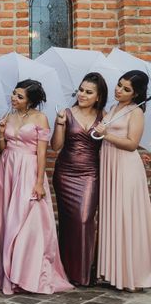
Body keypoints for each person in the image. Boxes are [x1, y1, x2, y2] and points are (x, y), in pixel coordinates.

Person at [0, 79, 73, 295]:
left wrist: (38, 182)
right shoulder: (9, 116)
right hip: (7, 169)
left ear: (30, 100)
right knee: (6, 219)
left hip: (28, 171)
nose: (13, 98)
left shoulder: (40, 118)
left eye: (19, 96)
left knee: (28, 222)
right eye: (14, 94)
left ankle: (25, 273)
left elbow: (43, 153)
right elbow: (1, 149)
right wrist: (0, 132)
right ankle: (7, 272)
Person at [94, 70, 151, 291]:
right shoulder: (113, 109)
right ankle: (113, 271)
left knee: (126, 217)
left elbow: (131, 143)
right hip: (109, 165)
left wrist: (105, 134)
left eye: (126, 89)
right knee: (112, 216)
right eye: (119, 85)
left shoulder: (135, 112)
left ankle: (131, 275)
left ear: (136, 94)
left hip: (126, 167)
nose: (119, 90)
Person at [51, 72, 107, 286]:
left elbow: (109, 147)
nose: (82, 94)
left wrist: (106, 130)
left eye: (88, 92)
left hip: (90, 174)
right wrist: (59, 124)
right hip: (65, 174)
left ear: (98, 97)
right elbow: (56, 146)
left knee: (84, 220)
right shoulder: (67, 112)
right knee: (67, 222)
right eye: (81, 90)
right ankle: (66, 270)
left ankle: (83, 273)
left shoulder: (105, 115)